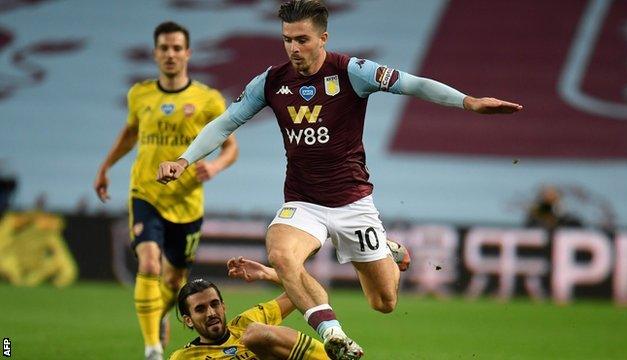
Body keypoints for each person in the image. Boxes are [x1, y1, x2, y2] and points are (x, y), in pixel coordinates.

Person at [157, 1, 522, 358]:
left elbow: (414, 85)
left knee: (384, 302)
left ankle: (386, 251)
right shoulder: (270, 82)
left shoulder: (352, 71)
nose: (293, 48)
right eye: (287, 39)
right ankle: (334, 334)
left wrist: (468, 102)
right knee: (281, 253)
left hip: (352, 203)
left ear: (323, 38)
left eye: (302, 39)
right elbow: (226, 122)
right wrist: (184, 159)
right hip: (303, 202)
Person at [94, 21, 239, 360]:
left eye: (177, 48)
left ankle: (157, 313)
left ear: (187, 53)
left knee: (174, 284)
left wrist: (215, 166)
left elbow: (230, 147)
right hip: (146, 193)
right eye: (164, 48)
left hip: (187, 202)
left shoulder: (207, 99)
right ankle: (153, 348)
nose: (171, 54)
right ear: (155, 53)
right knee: (148, 264)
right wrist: (105, 166)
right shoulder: (140, 94)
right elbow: (131, 133)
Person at [169, 257, 328, 360]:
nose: (211, 313)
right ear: (188, 320)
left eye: (215, 304)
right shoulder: (183, 357)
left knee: (255, 333)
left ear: (223, 306)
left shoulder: (245, 324)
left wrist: (265, 273)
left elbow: (309, 291)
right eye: (200, 309)